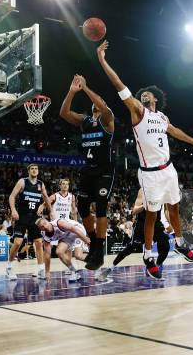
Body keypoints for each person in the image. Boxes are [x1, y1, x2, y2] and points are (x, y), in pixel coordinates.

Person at [97, 40, 193, 279]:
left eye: (148, 93)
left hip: (168, 169)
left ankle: (180, 242)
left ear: (155, 98)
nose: (144, 94)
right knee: (151, 215)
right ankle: (149, 256)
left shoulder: (162, 116)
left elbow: (174, 130)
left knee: (175, 208)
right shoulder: (138, 111)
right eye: (142, 94)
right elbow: (119, 85)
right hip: (149, 174)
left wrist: (192, 141)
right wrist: (103, 60)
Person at [59, 74, 115, 270]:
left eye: (98, 102)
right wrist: (72, 92)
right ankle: (94, 244)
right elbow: (64, 112)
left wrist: (87, 87)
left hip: (105, 171)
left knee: (100, 205)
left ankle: (99, 248)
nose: (95, 104)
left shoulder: (108, 120)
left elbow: (101, 103)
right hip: (88, 170)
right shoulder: (84, 120)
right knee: (82, 207)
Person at [96, 188, 173, 281]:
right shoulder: (142, 190)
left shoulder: (163, 190)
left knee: (165, 246)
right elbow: (134, 211)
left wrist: (171, 224)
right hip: (142, 224)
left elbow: (166, 210)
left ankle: (154, 267)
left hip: (156, 223)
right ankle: (111, 267)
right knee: (131, 247)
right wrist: (144, 206)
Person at [7, 164, 51, 280]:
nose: (34, 170)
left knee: (38, 242)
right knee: (17, 242)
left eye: (36, 169)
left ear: (38, 171)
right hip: (22, 216)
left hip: (35, 218)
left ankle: (41, 269)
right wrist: (13, 210)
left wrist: (46, 207)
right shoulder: (22, 182)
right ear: (28, 171)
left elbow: (46, 197)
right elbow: (11, 196)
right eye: (32, 169)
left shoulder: (41, 184)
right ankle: (9, 267)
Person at [35, 217, 90, 282]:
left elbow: (74, 229)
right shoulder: (45, 236)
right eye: (42, 227)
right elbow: (47, 254)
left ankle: (95, 260)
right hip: (67, 236)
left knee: (78, 256)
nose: (45, 227)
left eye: (45, 223)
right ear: (40, 229)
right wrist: (47, 272)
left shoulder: (59, 223)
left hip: (77, 230)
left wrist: (86, 240)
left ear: (48, 221)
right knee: (59, 252)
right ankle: (74, 271)